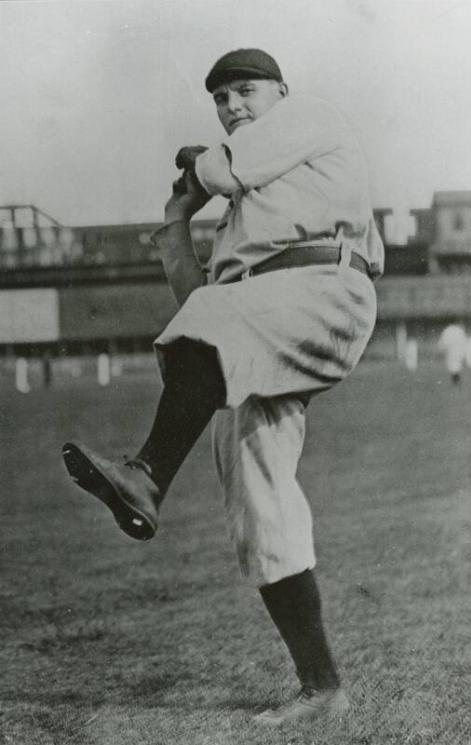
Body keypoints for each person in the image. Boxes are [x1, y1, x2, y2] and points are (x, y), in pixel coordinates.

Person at [63, 48, 384, 726]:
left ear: (281, 92)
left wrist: (203, 167)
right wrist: (178, 222)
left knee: (215, 322)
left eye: (245, 92)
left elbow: (220, 165)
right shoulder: (246, 205)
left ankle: (147, 472)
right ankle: (321, 685)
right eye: (220, 99)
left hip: (328, 291)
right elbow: (199, 303)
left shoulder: (308, 119)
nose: (233, 106)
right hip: (264, 320)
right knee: (257, 506)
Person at [438, 320, 468, 385]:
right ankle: (456, 379)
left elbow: (443, 341)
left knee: (453, 364)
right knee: (456, 364)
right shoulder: (459, 330)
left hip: (451, 350)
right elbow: (464, 340)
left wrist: (442, 347)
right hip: (457, 350)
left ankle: (455, 379)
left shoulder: (447, 330)